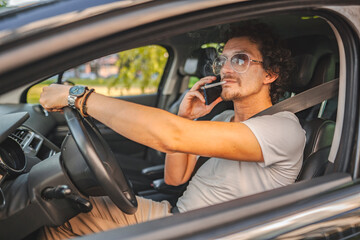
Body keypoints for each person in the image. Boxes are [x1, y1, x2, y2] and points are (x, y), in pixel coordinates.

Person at [38, 22, 305, 239]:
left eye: (240, 60)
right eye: (223, 60)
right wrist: (185, 117)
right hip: (176, 217)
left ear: (270, 74)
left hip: (202, 232)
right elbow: (175, 179)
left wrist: (79, 97)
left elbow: (171, 136)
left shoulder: (281, 129)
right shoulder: (224, 118)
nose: (225, 69)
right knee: (63, 211)